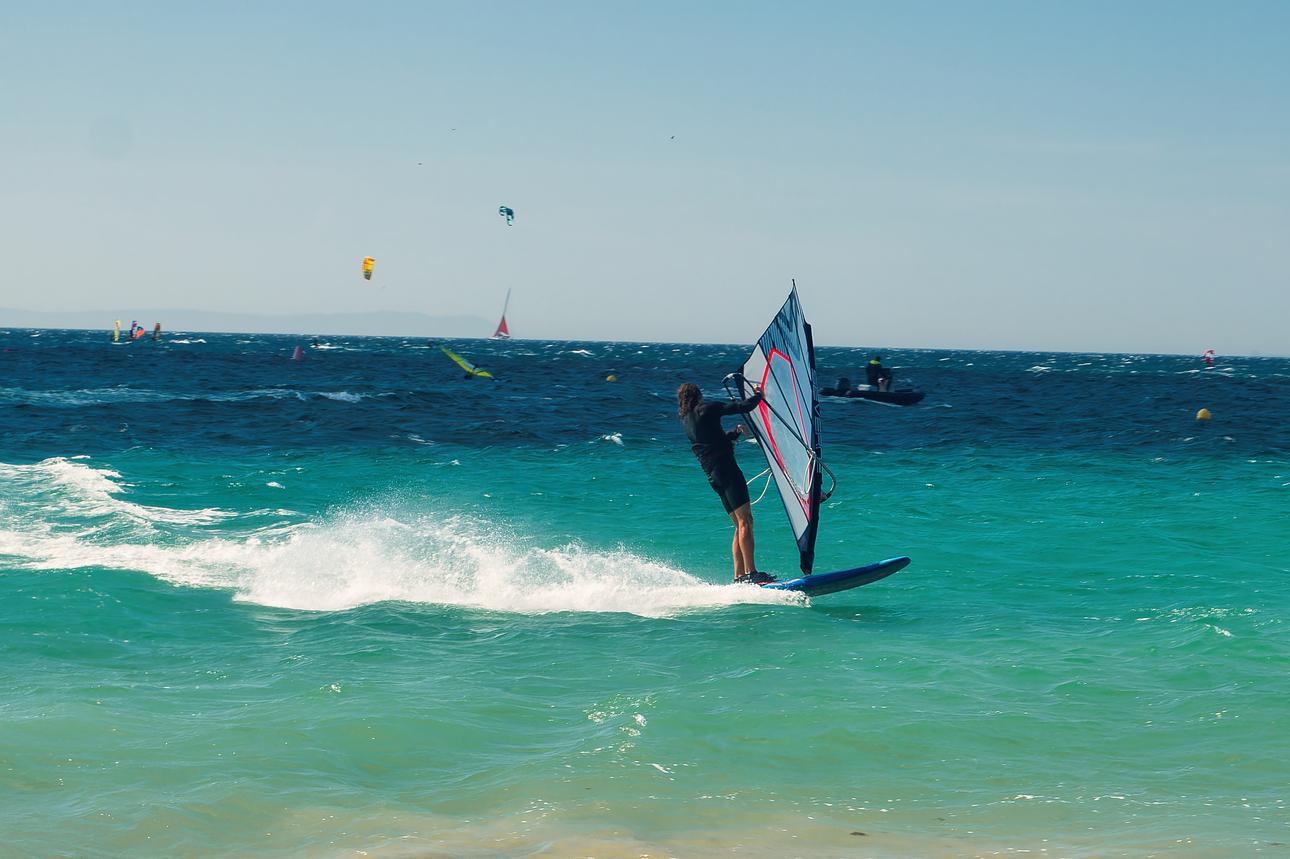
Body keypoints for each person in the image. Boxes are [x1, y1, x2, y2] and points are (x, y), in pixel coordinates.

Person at [677, 381, 776, 584]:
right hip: (728, 470)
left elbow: (712, 441)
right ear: (699, 395)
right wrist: (759, 395)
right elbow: (743, 406)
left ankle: (739, 576)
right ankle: (752, 573)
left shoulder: (686, 420)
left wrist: (735, 433)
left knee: (739, 524)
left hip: (714, 476)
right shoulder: (707, 408)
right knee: (746, 521)